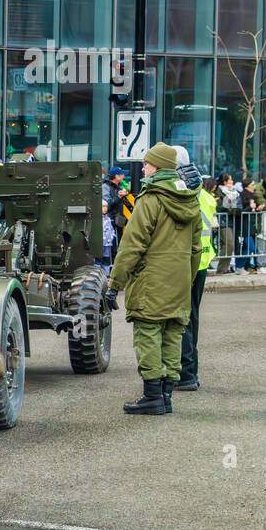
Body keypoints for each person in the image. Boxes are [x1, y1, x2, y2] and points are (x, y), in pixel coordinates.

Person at [106, 143, 202, 416]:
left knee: (148, 333)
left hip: (151, 282)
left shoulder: (150, 200)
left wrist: (115, 284)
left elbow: (132, 245)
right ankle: (167, 396)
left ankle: (152, 396)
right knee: (173, 334)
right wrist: (187, 277)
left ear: (157, 167)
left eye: (148, 164)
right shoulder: (191, 200)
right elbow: (196, 249)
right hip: (180, 280)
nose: (144, 168)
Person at [172, 148, 214, 394]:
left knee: (181, 318)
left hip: (186, 262)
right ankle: (191, 371)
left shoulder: (182, 192)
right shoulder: (204, 194)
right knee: (192, 318)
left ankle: (186, 373)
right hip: (203, 261)